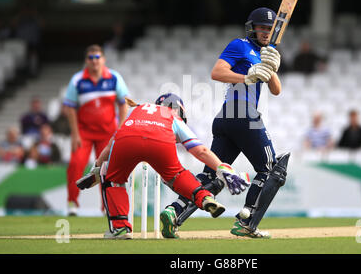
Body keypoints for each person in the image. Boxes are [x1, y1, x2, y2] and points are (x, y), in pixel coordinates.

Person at [161, 7, 288, 239]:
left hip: (228, 119)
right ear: (252, 28)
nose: (266, 32)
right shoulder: (240, 45)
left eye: (270, 29)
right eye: (262, 27)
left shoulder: (265, 52)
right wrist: (247, 77)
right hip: (241, 113)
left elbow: (276, 90)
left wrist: (272, 67)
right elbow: (217, 72)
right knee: (272, 170)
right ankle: (246, 222)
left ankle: (174, 212)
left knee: (213, 177)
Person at [76, 93, 249, 239]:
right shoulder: (174, 117)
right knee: (177, 175)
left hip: (127, 139)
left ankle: (120, 228)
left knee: (113, 179)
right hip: (161, 142)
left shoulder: (136, 110)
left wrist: (97, 168)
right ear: (179, 110)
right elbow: (201, 150)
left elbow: (110, 145)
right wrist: (222, 168)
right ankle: (204, 197)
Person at [63, 44, 129, 216]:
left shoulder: (114, 77)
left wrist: (120, 127)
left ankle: (106, 206)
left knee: (107, 169)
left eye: (97, 57)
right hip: (84, 133)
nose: (94, 61)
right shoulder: (78, 80)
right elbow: (70, 107)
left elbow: (124, 103)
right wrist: (75, 134)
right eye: (91, 58)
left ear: (103, 59)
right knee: (76, 164)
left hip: (108, 133)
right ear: (86, 61)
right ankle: (72, 202)